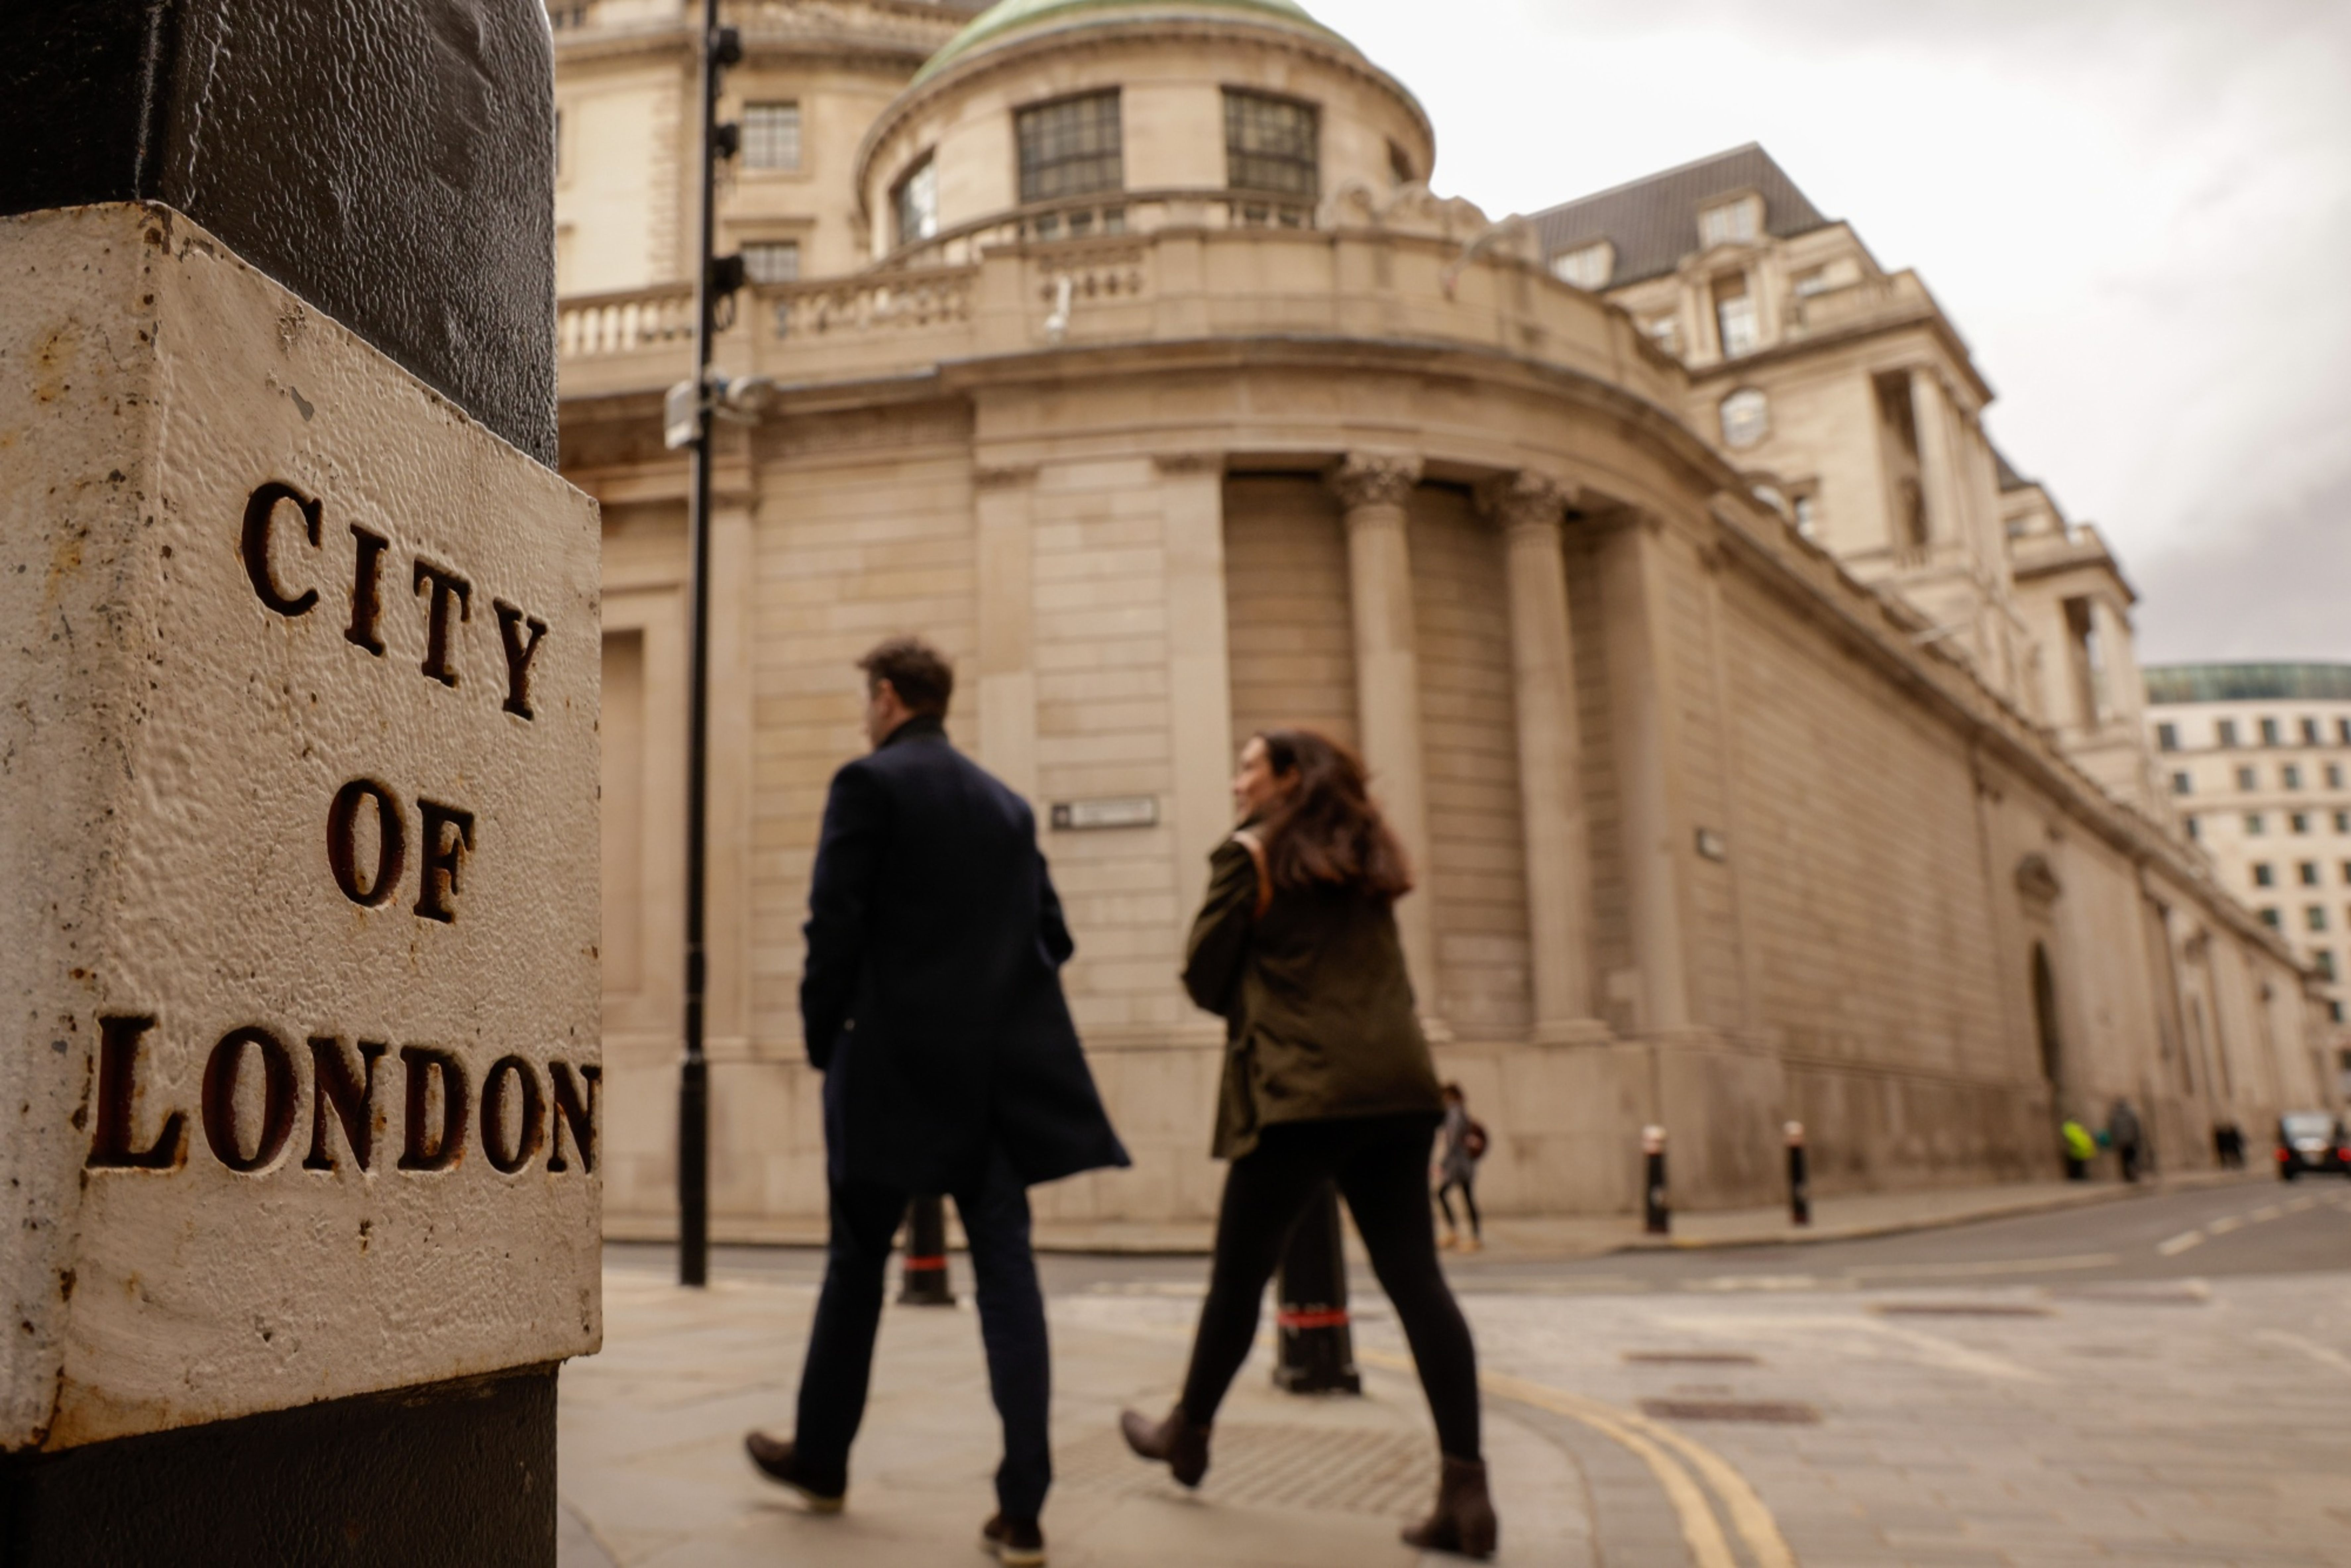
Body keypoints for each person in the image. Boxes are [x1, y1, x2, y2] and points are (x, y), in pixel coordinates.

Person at [744, 636, 1129, 1568]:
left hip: (886, 1071)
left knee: (854, 1266)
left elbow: (831, 924)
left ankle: (824, 1459)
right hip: (994, 1083)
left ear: (886, 696)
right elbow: (1055, 936)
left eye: (864, 701)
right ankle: (1024, 1507)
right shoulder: (1007, 805)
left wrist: (818, 1037)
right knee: (1007, 1274)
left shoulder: (869, 785)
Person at [1118, 728, 1498, 1559]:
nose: (1234, 784)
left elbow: (1202, 974)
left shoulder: (1248, 856)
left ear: (1285, 778)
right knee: (1416, 1281)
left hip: (1300, 1093)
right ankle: (1465, 1491)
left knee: (1237, 1278)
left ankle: (1189, 1432)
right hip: (1397, 1089)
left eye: (1247, 768)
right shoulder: (1366, 857)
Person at [1434, 1083, 1487, 1253]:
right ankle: (1468, 1235)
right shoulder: (1458, 1112)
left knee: (1445, 1194)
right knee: (1465, 1197)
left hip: (1459, 1165)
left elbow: (1453, 1141)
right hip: (1462, 1163)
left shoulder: (1455, 1113)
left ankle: (1465, 1235)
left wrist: (1442, 1163)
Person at [2108, 1098, 2144, 1184]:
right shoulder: (2131, 1114)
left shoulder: (2115, 1116)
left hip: (2121, 1142)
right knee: (2132, 1158)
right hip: (2131, 1141)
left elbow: (2113, 1130)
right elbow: (2136, 1127)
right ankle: (2134, 1174)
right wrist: (2138, 1139)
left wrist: (2115, 1142)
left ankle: (2127, 1175)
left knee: (2125, 1159)